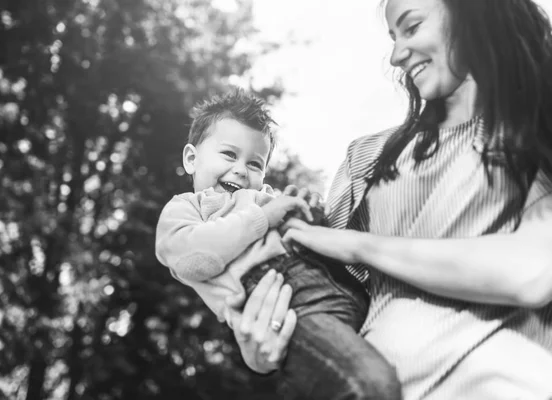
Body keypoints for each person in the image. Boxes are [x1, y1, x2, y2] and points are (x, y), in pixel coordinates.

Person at [223, 1, 552, 399]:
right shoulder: (367, 159)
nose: (396, 56)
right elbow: (331, 301)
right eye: (393, 38)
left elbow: (531, 272)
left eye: (411, 28)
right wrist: (264, 344)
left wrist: (357, 245)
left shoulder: (540, 139)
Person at [155, 89, 402, 399]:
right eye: (229, 154)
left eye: (255, 164)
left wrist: (309, 211)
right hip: (298, 311)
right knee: (371, 385)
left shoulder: (268, 198)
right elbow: (193, 258)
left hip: (351, 291)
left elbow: (314, 236)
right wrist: (262, 217)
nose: (241, 169)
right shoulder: (187, 209)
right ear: (192, 158)